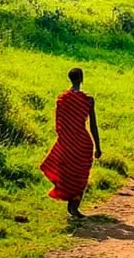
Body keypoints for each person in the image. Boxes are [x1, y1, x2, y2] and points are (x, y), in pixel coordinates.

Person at [40, 67, 102, 219]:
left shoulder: (62, 99)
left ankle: (72, 208)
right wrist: (98, 146)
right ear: (82, 79)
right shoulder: (88, 100)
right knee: (80, 175)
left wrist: (63, 139)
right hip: (83, 143)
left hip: (67, 142)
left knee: (68, 173)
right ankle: (73, 207)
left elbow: (58, 123)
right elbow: (93, 125)